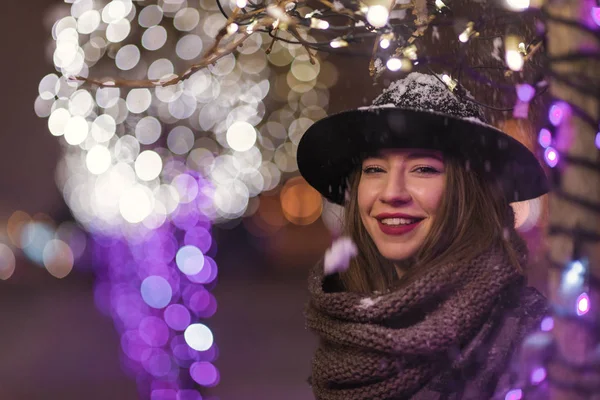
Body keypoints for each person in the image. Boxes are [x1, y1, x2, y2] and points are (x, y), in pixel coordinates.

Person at [296, 72, 550, 400]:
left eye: (424, 169)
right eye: (374, 170)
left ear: (469, 193)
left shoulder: (535, 341)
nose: (392, 193)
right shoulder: (344, 338)